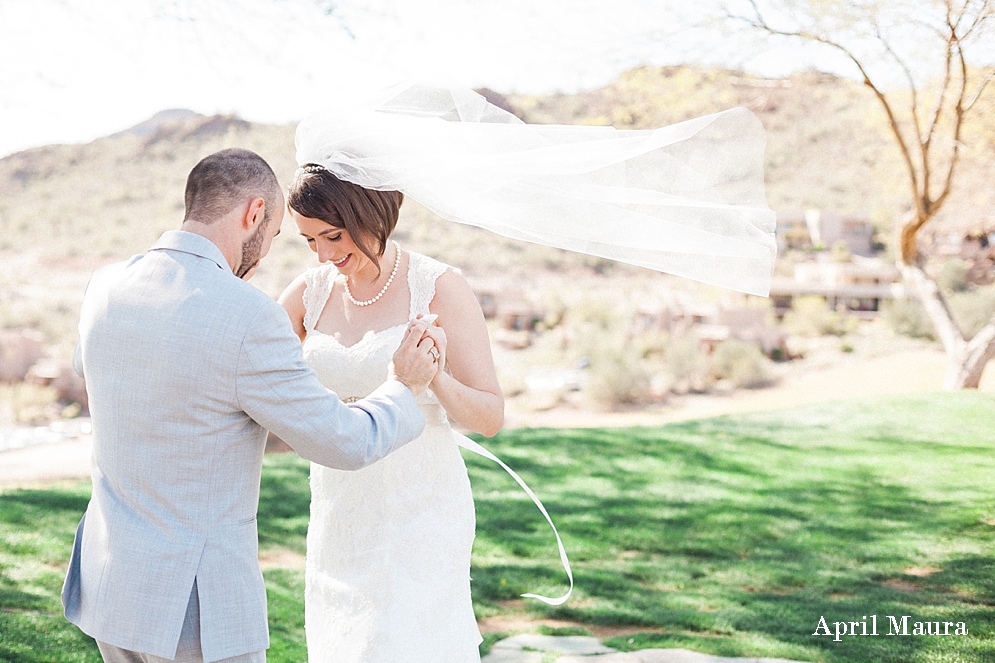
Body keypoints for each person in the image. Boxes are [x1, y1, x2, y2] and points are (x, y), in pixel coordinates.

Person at [62, 148, 441, 663]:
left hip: (113, 588)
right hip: (195, 606)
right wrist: (402, 384)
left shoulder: (104, 286)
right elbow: (348, 441)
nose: (266, 254)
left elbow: (96, 371)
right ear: (254, 214)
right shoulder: (248, 315)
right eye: (280, 233)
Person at [278, 164, 504, 662]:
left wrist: (433, 376)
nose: (325, 254)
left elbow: (489, 417)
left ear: (371, 214)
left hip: (419, 506)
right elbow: (256, 377)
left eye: (334, 236)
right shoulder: (308, 294)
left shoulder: (439, 286)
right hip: (340, 506)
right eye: (309, 240)